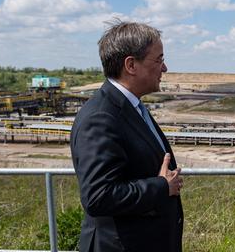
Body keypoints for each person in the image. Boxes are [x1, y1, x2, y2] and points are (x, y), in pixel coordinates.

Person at [70, 20, 183, 252]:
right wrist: (161, 186)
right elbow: (98, 196)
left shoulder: (131, 107)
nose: (165, 68)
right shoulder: (101, 117)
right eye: (159, 59)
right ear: (131, 65)